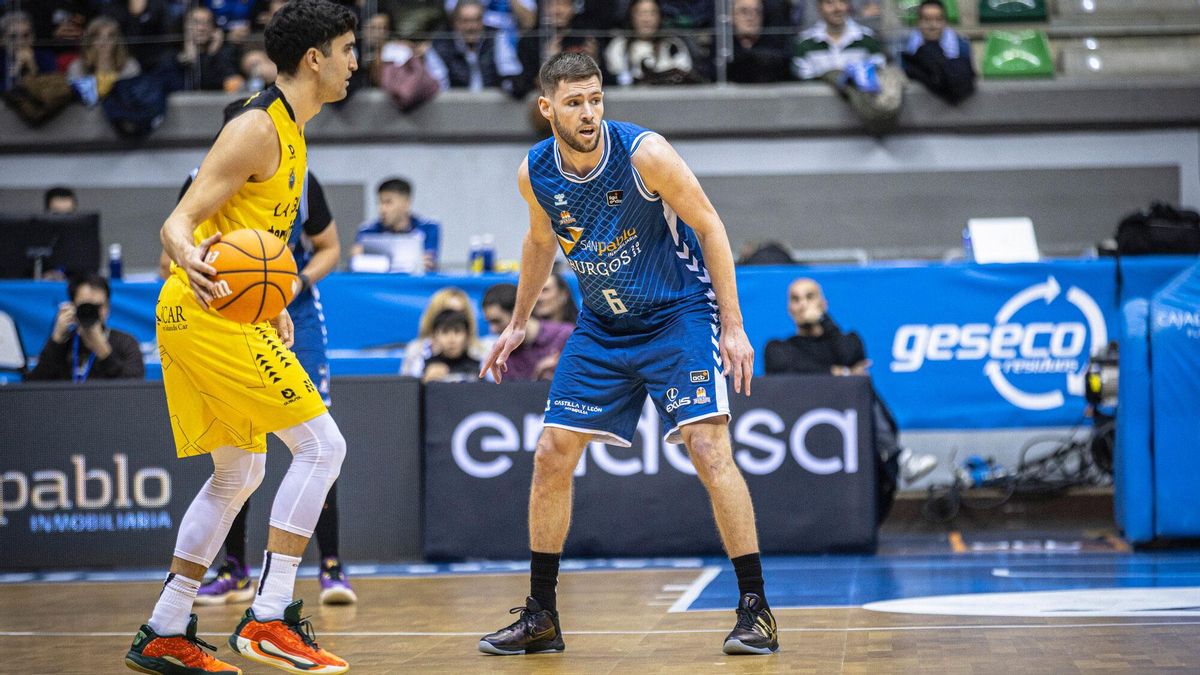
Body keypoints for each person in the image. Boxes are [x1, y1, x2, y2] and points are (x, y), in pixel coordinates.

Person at [477, 52, 776, 657]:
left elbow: (711, 225)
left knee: (708, 446)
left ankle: (756, 609)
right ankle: (542, 615)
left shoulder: (644, 154)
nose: (588, 113)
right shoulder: (534, 172)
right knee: (551, 453)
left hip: (678, 314)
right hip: (603, 325)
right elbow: (539, 242)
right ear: (547, 108)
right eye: (574, 102)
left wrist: (734, 326)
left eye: (595, 99)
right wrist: (517, 323)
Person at [125, 2, 356, 673]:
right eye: (346, 49)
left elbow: (257, 239)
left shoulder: (294, 128)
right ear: (314, 58)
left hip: (221, 314)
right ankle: (268, 615)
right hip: (203, 311)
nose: (354, 62)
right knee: (321, 445)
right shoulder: (256, 126)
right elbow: (178, 222)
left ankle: (166, 627)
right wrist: (194, 258)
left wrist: (269, 301)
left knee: (239, 471)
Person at [168, 160, 356, 608]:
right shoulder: (204, 179)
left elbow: (330, 248)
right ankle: (236, 573)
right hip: (224, 311)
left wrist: (285, 285)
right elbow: (170, 254)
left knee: (316, 439)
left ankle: (330, 564)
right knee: (243, 460)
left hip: (293, 310)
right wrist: (229, 281)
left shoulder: (301, 176)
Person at [763, 278, 937, 520]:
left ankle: (898, 457)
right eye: (796, 299)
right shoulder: (779, 348)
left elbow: (850, 354)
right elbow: (780, 366)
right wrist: (840, 373)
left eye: (810, 297)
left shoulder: (847, 340)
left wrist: (824, 322)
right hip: (802, 425)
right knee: (853, 379)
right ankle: (899, 456)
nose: (803, 304)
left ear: (823, 303)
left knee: (859, 384)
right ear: (789, 309)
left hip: (849, 424)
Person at [792, 0, 901, 135]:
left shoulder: (867, 39)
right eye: (830, 3)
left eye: (842, 2)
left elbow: (880, 78)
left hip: (863, 124)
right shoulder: (804, 43)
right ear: (819, 8)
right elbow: (802, 82)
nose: (837, 8)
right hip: (818, 122)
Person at [27, 273, 144, 381]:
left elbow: (134, 388)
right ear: (72, 306)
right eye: (85, 306)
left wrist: (103, 350)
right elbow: (33, 388)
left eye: (98, 307)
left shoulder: (126, 343)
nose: (92, 312)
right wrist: (57, 338)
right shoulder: (63, 344)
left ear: (108, 309)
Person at [424, 0, 523, 94]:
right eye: (465, 21)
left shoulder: (496, 37)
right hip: (455, 105)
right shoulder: (439, 45)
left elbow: (510, 74)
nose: (472, 26)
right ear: (455, 22)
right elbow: (440, 87)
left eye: (477, 20)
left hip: (492, 104)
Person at [481, 282, 571, 381]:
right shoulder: (503, 354)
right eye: (490, 322)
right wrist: (538, 375)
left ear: (517, 314)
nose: (492, 329)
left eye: (497, 321)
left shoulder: (566, 336)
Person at [605, 0, 706, 86]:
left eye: (652, 13)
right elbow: (617, 78)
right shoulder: (619, 46)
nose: (646, 19)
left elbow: (684, 75)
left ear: (660, 17)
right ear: (631, 16)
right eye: (641, 13)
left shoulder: (673, 45)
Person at [352, 177, 441, 272]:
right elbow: (357, 263)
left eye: (388, 202)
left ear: (407, 203)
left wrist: (377, 263)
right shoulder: (367, 231)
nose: (382, 209)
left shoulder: (428, 228)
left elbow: (429, 262)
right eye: (380, 203)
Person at [399, 286, 487, 377]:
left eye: (459, 314)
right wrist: (425, 380)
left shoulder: (481, 352)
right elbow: (406, 387)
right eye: (446, 313)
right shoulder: (416, 351)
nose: (452, 319)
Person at [901, 0, 975, 105]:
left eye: (938, 19)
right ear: (918, 22)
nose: (932, 25)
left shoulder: (961, 45)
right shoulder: (905, 48)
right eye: (926, 19)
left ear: (945, 22)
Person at [66, 16, 141, 103]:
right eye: (97, 37)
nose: (104, 42)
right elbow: (78, 100)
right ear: (89, 41)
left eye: (110, 37)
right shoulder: (76, 67)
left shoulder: (130, 66)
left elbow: (132, 100)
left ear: (117, 41)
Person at [727, 0, 792, 84]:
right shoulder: (724, 51)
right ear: (731, 16)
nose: (751, 17)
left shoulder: (776, 54)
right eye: (744, 11)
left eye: (757, 12)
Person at [422, 309, 483, 382]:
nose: (451, 340)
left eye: (457, 331)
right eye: (445, 332)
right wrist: (426, 380)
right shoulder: (426, 365)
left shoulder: (479, 367)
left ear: (467, 336)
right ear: (435, 336)